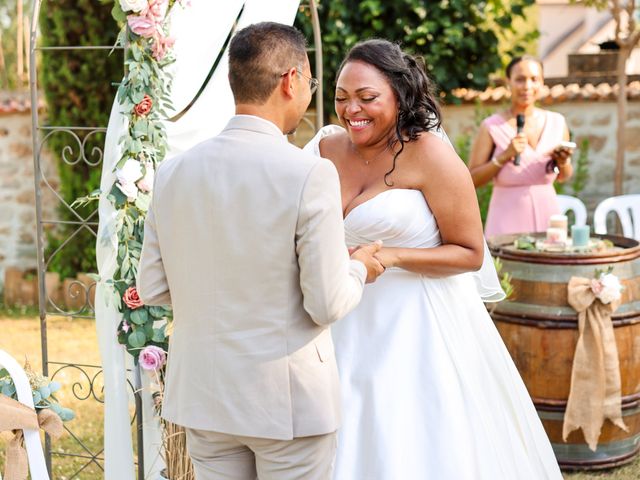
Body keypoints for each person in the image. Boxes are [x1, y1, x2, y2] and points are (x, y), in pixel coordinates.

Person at [304, 40, 563, 479]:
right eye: (342, 98)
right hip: (340, 321)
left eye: (367, 98)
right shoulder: (327, 149)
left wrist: (391, 256)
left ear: (400, 94)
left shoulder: (430, 154)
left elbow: (469, 251)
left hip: (416, 326)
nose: (352, 110)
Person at [137, 22, 385, 480]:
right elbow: (327, 302)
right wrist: (358, 268)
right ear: (291, 81)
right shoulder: (309, 173)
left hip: (204, 395)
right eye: (311, 83)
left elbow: (151, 287)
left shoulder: (173, 172)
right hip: (285, 401)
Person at [469, 55, 574, 238]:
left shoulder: (557, 122)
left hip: (548, 217)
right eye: (520, 79)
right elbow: (472, 179)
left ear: (542, 83)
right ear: (508, 82)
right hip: (506, 218)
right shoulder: (491, 126)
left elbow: (564, 176)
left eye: (534, 79)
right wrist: (504, 156)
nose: (527, 86)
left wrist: (562, 161)